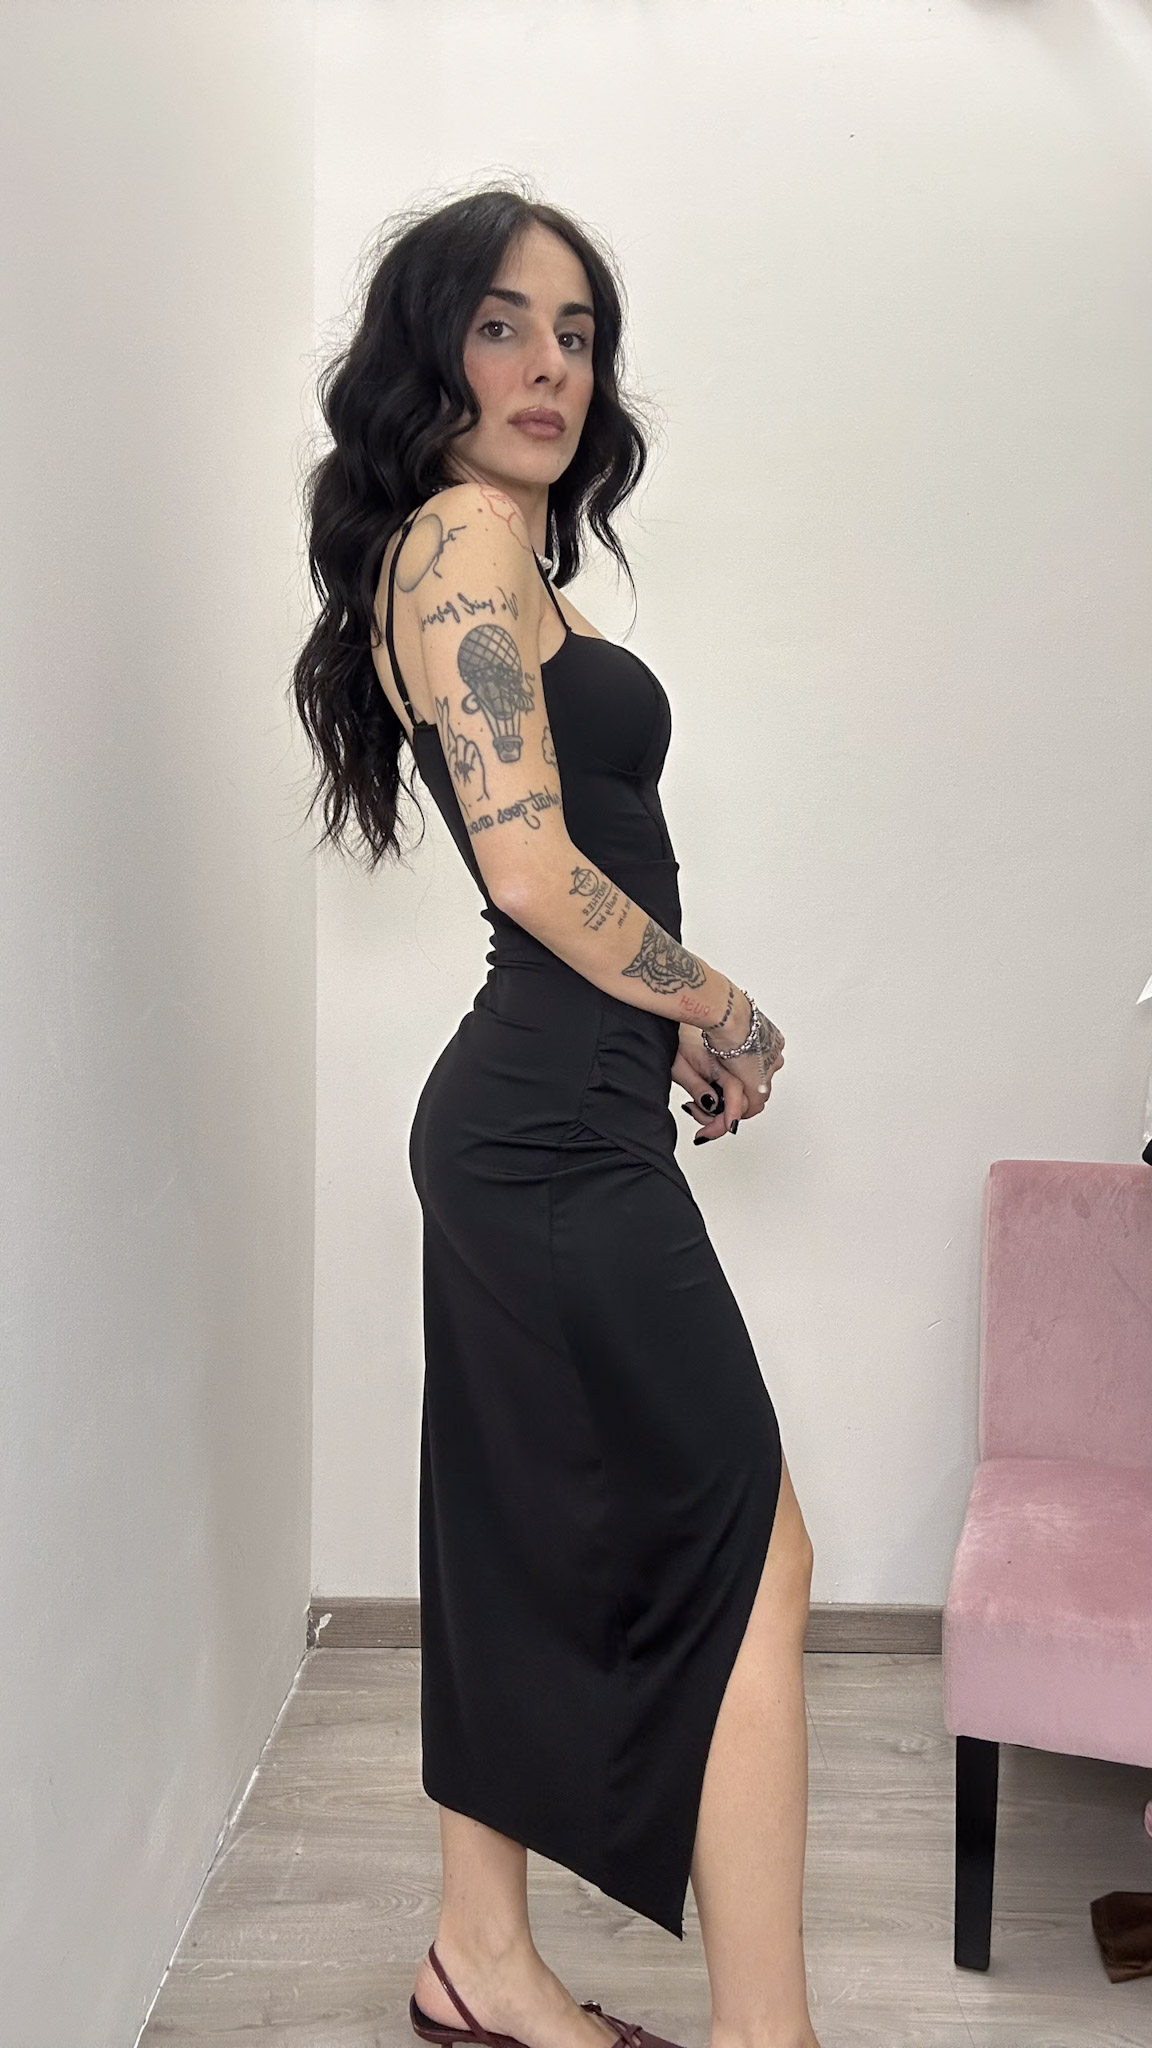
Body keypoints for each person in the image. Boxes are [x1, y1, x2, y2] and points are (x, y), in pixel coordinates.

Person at [292, 186, 821, 2048]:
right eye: (502, 324)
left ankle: (479, 1960)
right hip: (543, 1135)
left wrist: (654, 1020)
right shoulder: (457, 542)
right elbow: (528, 870)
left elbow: (573, 855)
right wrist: (719, 1001)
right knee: (755, 1549)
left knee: (517, 1532)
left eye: (576, 332)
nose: (547, 366)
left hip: (558, 1108)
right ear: (429, 351)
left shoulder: (490, 551)